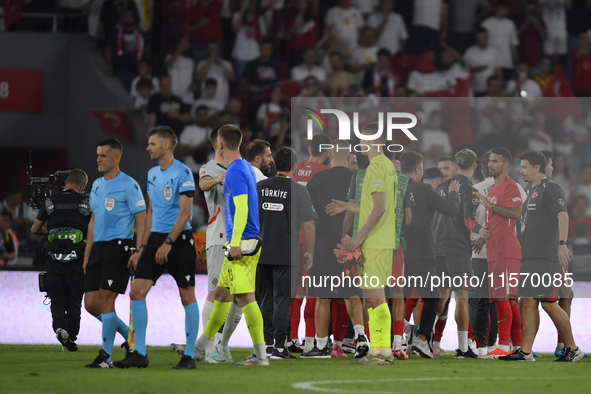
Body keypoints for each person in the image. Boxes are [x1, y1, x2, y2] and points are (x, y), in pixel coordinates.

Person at [115, 126, 199, 369]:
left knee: (187, 296)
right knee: (136, 292)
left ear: (165, 145)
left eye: (152, 143)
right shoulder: (152, 173)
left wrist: (169, 243)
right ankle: (139, 353)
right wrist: (142, 248)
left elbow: (185, 213)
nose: (148, 147)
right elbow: (151, 213)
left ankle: (190, 356)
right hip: (154, 241)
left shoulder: (183, 172)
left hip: (179, 241)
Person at [192, 124, 268, 366]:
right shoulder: (245, 167)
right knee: (222, 295)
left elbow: (243, 208)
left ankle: (260, 355)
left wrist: (235, 243)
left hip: (241, 243)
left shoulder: (235, 171)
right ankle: (200, 348)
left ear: (219, 144)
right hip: (237, 241)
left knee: (246, 298)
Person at [500, 150, 585, 362]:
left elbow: (563, 215)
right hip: (529, 257)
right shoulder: (531, 191)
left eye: (525, 167)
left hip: (546, 257)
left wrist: (562, 244)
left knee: (548, 303)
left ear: (537, 168)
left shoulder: (551, 188)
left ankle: (573, 348)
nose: (521, 171)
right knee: (528, 301)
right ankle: (526, 352)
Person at [336, 123, 398, 365]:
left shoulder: (375, 167)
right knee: (373, 296)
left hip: (375, 240)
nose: (359, 141)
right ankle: (380, 350)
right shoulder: (387, 166)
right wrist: (348, 206)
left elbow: (380, 208)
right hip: (381, 239)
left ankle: (383, 351)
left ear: (373, 139)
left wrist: (359, 236)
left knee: (375, 296)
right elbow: (375, 207)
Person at [83, 139, 146, 369]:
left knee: (106, 300)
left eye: (103, 155)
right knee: (91, 304)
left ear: (117, 157)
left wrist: (139, 250)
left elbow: (141, 216)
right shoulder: (97, 185)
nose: (98, 159)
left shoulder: (129, 184)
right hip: (98, 248)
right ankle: (130, 338)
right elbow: (93, 219)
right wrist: (87, 252)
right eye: (98, 155)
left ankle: (105, 357)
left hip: (118, 247)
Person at [302, 140, 367, 360]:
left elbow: (307, 216)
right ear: (350, 157)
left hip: (323, 245)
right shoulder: (358, 179)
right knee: (352, 295)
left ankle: (321, 346)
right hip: (352, 245)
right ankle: (360, 337)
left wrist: (311, 248)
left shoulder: (317, 179)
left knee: (323, 296)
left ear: (329, 155)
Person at [399, 151, 460, 358]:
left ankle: (398, 336)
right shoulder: (425, 189)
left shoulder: (393, 188)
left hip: (398, 252)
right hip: (423, 254)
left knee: (398, 297)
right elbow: (451, 210)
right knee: (432, 298)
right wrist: (453, 192)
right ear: (418, 170)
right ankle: (422, 339)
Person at [256, 147, 316, 360]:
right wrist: (310, 251)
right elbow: (309, 224)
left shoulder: (260, 187)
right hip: (286, 255)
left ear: (274, 165)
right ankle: (280, 347)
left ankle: (267, 345)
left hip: (261, 253)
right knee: (282, 301)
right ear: (295, 167)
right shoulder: (299, 190)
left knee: (264, 301)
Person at [31, 170, 92, 352]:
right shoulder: (86, 202)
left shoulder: (51, 201)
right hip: (77, 258)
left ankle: (60, 328)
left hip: (53, 258)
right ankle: (71, 336)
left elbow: (35, 229)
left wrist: (50, 232)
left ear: (66, 183)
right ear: (82, 186)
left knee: (57, 299)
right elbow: (94, 228)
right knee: (74, 300)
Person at [472, 148, 523, 357]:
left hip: (506, 249)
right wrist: (482, 238)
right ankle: (518, 347)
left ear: (505, 165)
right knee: (506, 300)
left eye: (495, 161)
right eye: (489, 161)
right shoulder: (492, 188)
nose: (490, 164)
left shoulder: (510, 187)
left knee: (503, 298)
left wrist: (489, 204)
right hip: (493, 250)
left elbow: (517, 213)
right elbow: (493, 221)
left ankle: (503, 345)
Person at [433, 149, 479, 359]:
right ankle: (463, 347)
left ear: (456, 167)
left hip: (437, 247)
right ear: (475, 166)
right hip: (457, 248)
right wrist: (478, 233)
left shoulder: (441, 187)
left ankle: (425, 339)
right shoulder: (469, 190)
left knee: (441, 297)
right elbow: (468, 219)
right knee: (462, 296)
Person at [289, 133, 331, 353]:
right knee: (313, 290)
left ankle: (291, 338)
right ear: (328, 152)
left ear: (309, 147)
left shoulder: (295, 169)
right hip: (312, 238)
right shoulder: (327, 173)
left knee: (296, 291)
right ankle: (310, 341)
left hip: (291, 236)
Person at [469, 152, 497, 356]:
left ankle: (480, 346)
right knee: (497, 300)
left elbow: (465, 220)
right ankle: (496, 344)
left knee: (479, 300)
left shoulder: (474, 190)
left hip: (478, 253)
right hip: (502, 254)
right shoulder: (514, 189)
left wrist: (478, 236)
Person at [463, 28, 502, 97]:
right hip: (475, 88)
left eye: (484, 38)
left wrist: (499, 86)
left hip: (491, 89)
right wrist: (474, 69)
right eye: (480, 38)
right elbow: (463, 70)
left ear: (487, 38)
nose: (482, 40)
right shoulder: (469, 51)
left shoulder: (494, 51)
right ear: (476, 38)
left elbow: (498, 70)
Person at [178, 105, 212, 175]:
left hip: (207, 172)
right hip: (191, 170)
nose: (202, 117)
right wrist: (200, 147)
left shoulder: (211, 132)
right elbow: (182, 151)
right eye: (200, 115)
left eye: (205, 115)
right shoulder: (188, 130)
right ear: (196, 116)